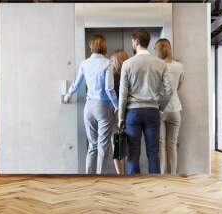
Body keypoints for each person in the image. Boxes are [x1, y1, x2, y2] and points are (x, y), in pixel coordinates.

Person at [118, 29, 173, 174]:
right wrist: (160, 107)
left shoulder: (127, 64)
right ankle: (154, 189)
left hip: (133, 112)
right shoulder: (160, 64)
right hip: (152, 111)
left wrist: (121, 117)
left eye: (132, 41)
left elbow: (123, 93)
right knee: (153, 153)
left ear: (136, 42)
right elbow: (169, 90)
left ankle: (134, 190)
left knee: (133, 154)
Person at [64, 35, 118, 174]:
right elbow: (109, 88)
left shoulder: (84, 63)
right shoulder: (107, 63)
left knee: (92, 146)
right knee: (102, 145)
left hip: (88, 107)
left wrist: (68, 95)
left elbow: (77, 84)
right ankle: (100, 177)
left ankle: (88, 175)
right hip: (103, 106)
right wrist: (116, 105)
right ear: (104, 46)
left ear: (91, 46)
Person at [155, 38, 184, 175]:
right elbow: (179, 87)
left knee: (161, 145)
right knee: (172, 145)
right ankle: (173, 175)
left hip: (160, 109)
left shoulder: (156, 66)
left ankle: (162, 174)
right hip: (175, 109)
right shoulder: (179, 66)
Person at [107, 49, 129, 174]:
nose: (111, 62)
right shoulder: (126, 74)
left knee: (116, 142)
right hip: (125, 111)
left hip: (116, 113)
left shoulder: (115, 76)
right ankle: (121, 173)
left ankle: (120, 173)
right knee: (119, 142)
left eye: (113, 60)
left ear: (118, 61)